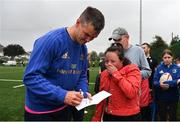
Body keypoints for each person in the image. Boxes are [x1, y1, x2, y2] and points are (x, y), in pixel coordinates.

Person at [23, 6, 105, 121]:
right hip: (41, 111)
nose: (88, 40)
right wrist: (62, 95)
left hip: (63, 108)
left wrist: (83, 92)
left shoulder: (83, 48)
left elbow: (81, 74)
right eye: (86, 34)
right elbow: (30, 77)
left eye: (93, 38)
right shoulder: (51, 41)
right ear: (78, 22)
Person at [108, 27, 151, 120]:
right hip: (115, 100)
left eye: (118, 39)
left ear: (127, 37)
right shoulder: (112, 51)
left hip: (131, 98)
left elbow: (148, 71)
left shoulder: (138, 50)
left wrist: (133, 76)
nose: (116, 42)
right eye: (114, 40)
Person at [92, 43, 141, 121]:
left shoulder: (132, 70)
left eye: (113, 61)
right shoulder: (104, 74)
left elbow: (131, 93)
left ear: (122, 60)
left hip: (129, 117)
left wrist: (116, 74)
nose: (109, 64)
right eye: (106, 61)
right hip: (109, 115)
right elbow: (101, 98)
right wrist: (96, 118)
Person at [153, 49, 180, 121]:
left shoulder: (177, 68)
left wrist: (168, 83)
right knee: (162, 117)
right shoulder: (159, 68)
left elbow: (178, 80)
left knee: (173, 117)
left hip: (173, 97)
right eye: (165, 57)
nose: (167, 59)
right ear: (162, 58)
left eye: (168, 57)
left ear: (172, 57)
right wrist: (160, 85)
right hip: (161, 97)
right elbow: (155, 81)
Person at [141, 42, 158, 121]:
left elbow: (156, 74)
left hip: (152, 88)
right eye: (142, 48)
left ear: (149, 49)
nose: (143, 49)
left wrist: (152, 87)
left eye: (144, 47)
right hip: (142, 89)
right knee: (143, 109)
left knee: (151, 108)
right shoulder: (140, 60)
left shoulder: (154, 60)